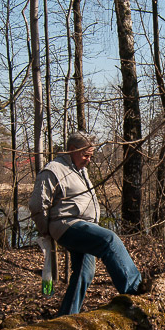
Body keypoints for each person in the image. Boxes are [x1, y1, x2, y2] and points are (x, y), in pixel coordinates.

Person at [28, 132, 143, 316]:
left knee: (84, 273)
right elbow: (37, 204)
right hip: (66, 225)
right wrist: (46, 232)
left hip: (82, 225)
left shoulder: (80, 170)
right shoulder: (53, 170)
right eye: (86, 155)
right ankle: (136, 290)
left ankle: (66, 317)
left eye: (91, 155)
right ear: (73, 149)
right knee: (109, 240)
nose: (88, 160)